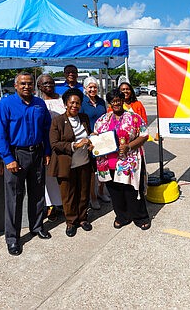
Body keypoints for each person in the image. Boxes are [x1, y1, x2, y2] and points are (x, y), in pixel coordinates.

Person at [0, 72, 52, 256]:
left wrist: (47, 151)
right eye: (22, 83)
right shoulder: (5, 104)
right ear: (16, 85)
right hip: (16, 155)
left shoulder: (39, 104)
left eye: (29, 83)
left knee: (37, 193)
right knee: (14, 198)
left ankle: (36, 226)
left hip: (37, 153)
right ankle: (13, 238)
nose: (26, 86)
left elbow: (46, 129)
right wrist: (8, 158)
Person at [94, 91, 151, 230]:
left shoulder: (134, 117)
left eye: (118, 100)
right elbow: (96, 136)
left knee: (132, 190)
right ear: (109, 103)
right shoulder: (102, 120)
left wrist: (129, 146)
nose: (116, 103)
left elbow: (144, 135)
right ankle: (122, 216)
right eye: (113, 101)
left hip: (129, 162)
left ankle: (140, 217)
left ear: (122, 100)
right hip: (108, 163)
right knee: (115, 192)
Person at [49, 89, 94, 237]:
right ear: (66, 104)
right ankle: (71, 221)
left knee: (83, 192)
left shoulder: (84, 117)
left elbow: (89, 134)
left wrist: (92, 141)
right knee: (68, 194)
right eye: (72, 102)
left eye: (78, 103)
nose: (75, 105)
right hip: (66, 164)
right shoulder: (58, 120)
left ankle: (82, 218)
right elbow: (54, 144)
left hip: (84, 162)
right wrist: (75, 145)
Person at [36, 73, 64, 221]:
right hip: (45, 145)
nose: (49, 86)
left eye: (51, 83)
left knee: (63, 175)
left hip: (63, 144)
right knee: (49, 177)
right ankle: (50, 205)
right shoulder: (37, 103)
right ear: (39, 86)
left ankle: (62, 203)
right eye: (45, 83)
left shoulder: (61, 101)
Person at [80, 76, 109, 209]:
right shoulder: (82, 103)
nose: (93, 89)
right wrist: (89, 133)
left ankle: (101, 192)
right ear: (85, 88)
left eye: (95, 87)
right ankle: (93, 197)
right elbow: (80, 122)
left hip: (103, 140)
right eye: (90, 87)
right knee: (92, 171)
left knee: (103, 167)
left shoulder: (101, 102)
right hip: (90, 140)